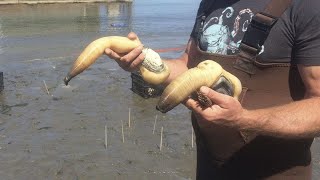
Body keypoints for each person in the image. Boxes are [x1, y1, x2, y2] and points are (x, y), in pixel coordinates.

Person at [105, 0, 320, 179]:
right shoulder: (210, 3)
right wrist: (145, 60)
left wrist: (244, 119)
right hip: (210, 168)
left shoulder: (305, 6)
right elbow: (188, 67)